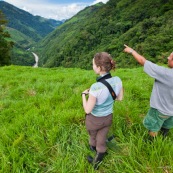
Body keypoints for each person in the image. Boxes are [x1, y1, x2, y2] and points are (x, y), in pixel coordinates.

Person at [82, 52, 123, 170]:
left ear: (99, 68)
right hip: (108, 117)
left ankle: (92, 147)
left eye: (93, 64)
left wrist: (83, 95)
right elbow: (119, 98)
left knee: (93, 134)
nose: (93, 66)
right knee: (102, 137)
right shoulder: (118, 80)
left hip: (94, 120)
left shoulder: (95, 87)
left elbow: (87, 109)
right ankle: (97, 160)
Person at [123, 44, 173, 139]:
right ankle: (164, 138)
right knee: (166, 126)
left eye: (170, 57)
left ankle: (151, 144)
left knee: (153, 127)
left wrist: (131, 51)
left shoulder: (166, 74)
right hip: (172, 111)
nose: (168, 58)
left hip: (160, 110)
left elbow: (143, 61)